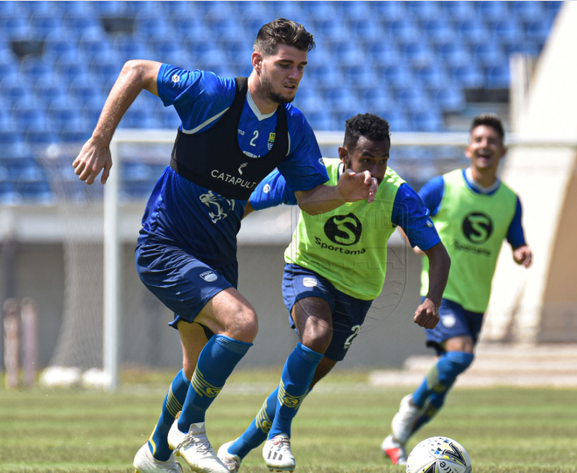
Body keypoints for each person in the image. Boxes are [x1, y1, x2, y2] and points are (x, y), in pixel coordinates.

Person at [72, 19, 378, 473]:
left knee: (196, 369)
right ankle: (189, 429)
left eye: (302, 67)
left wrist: (344, 194)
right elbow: (135, 70)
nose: (295, 75)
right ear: (258, 62)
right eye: (285, 64)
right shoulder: (213, 94)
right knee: (243, 322)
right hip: (165, 243)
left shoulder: (293, 129)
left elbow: (311, 199)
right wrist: (100, 139)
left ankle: (156, 453)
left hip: (215, 253)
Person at [215, 113, 451, 472]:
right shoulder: (312, 174)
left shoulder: (397, 194)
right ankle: (279, 435)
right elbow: (246, 201)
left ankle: (234, 451)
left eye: (383, 161)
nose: (376, 170)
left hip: (357, 296)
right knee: (316, 334)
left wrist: (432, 299)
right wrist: (219, 238)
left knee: (299, 385)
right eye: (366, 160)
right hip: (307, 271)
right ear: (344, 154)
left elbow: (438, 253)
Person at [382, 114, 533, 465]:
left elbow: (517, 240)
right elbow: (406, 213)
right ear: (468, 148)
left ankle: (396, 440)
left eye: (492, 141)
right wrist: (416, 242)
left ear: (502, 151)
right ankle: (410, 406)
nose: (485, 146)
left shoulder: (510, 201)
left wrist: (521, 251)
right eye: (478, 140)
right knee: (461, 355)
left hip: (477, 302)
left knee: (444, 383)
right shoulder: (443, 187)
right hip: (442, 294)